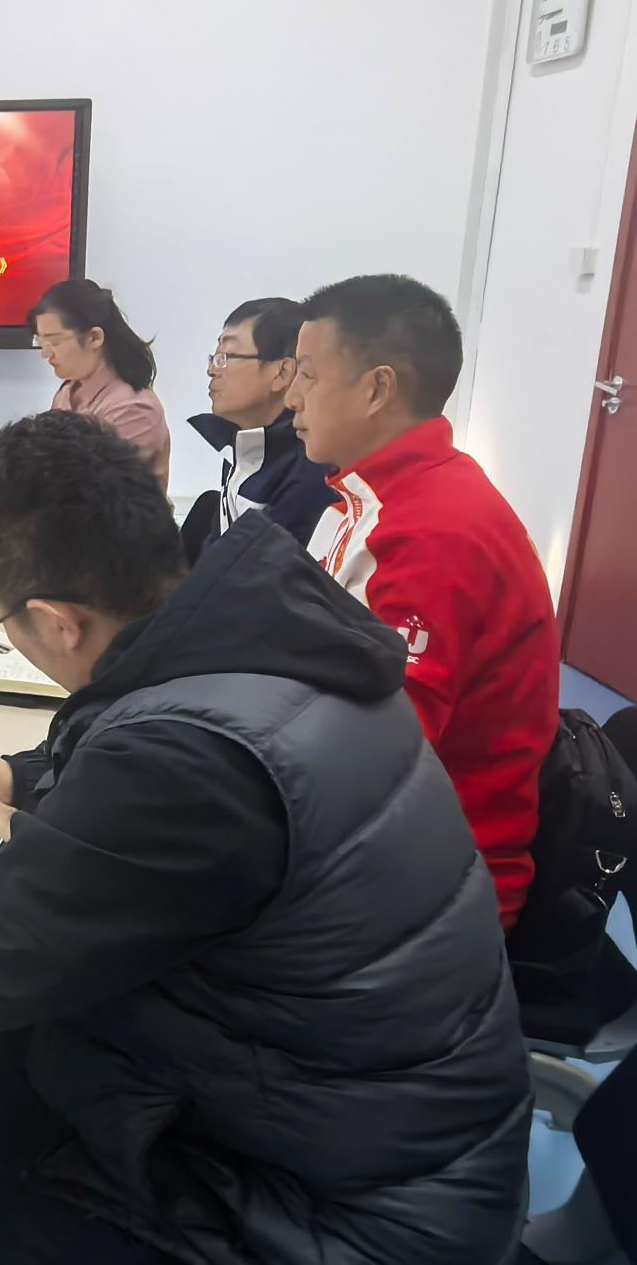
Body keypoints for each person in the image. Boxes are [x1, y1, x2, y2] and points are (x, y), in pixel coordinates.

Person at [0, 411, 529, 1265]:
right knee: (30, 1034)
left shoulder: (184, 772)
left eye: (3, 625)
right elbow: (168, 758)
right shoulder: (267, 631)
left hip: (344, 1220)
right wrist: (23, 784)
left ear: (58, 622)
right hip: (376, 1128)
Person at [289, 273, 558, 930]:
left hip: (433, 886)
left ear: (377, 388)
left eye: (307, 374)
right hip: (379, 840)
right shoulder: (365, 498)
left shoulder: (436, 532)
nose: (291, 396)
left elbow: (383, 756)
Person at [180, 295, 335, 561]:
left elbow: (265, 572)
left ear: (282, 372)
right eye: (214, 357)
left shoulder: (310, 464)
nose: (212, 370)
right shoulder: (241, 442)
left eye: (226, 357)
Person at [30, 278, 170, 489]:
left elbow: (94, 489)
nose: (45, 353)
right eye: (41, 342)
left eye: (54, 342)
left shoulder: (134, 408)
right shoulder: (67, 393)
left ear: (94, 338)